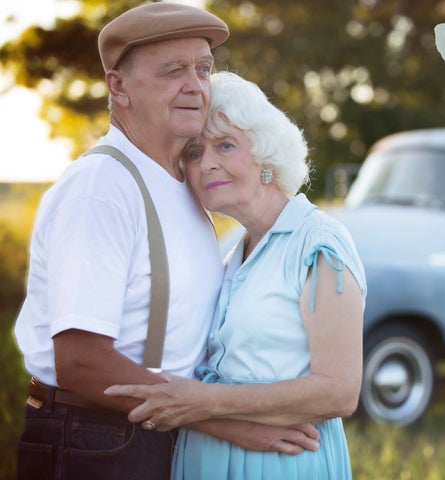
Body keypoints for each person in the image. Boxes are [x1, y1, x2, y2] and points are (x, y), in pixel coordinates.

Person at [14, 4, 318, 480]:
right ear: (118, 87)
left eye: (203, 69)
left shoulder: (181, 183)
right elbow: (80, 361)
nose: (196, 86)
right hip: (96, 439)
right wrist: (227, 423)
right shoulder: (103, 188)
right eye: (174, 71)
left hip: (152, 431)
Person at [105, 71, 368, 479]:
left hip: (282, 461)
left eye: (225, 146)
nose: (206, 163)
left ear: (265, 156)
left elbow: (340, 390)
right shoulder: (235, 250)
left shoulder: (317, 243)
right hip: (208, 458)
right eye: (193, 153)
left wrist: (204, 401)